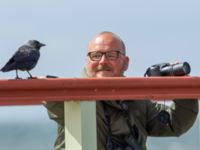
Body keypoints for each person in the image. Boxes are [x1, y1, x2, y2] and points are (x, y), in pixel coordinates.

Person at [43, 31, 199, 150]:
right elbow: (49, 95)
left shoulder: (136, 100)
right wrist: (42, 82)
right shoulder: (72, 97)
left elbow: (175, 123)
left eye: (111, 55)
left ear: (126, 63)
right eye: (96, 55)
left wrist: (180, 84)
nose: (102, 61)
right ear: (86, 61)